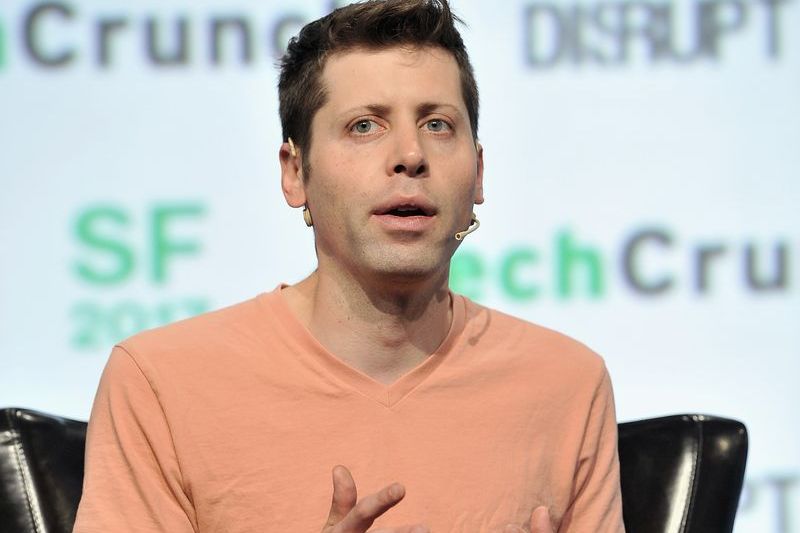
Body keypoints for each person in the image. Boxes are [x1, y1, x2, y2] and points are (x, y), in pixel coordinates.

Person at [73, 0, 624, 531]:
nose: (410, 155)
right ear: (296, 173)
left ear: (478, 174)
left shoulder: (567, 385)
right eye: (365, 125)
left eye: (437, 125)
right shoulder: (160, 383)